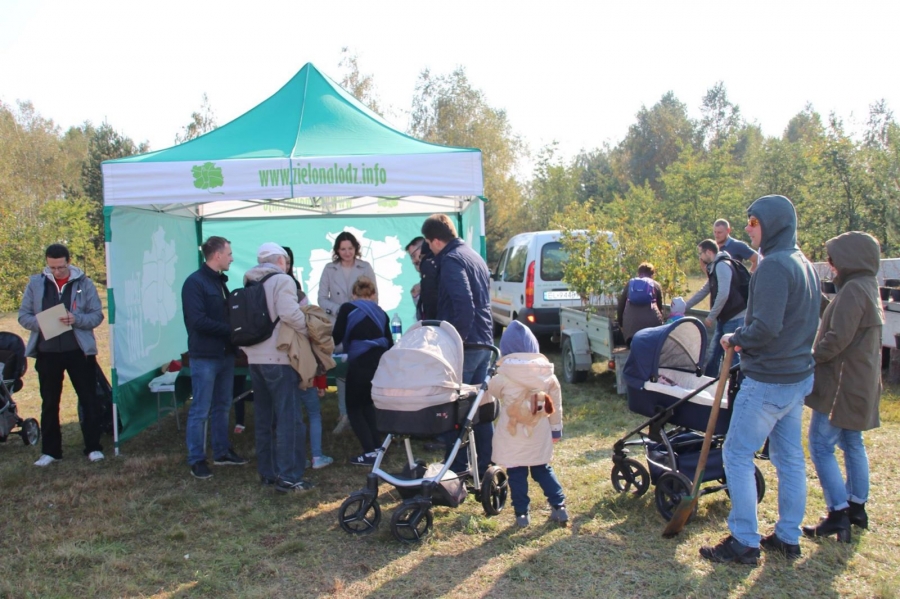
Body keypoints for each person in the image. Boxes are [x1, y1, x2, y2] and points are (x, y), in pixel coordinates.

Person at [700, 195, 820, 565]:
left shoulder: (774, 266)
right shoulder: (804, 263)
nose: (748, 228)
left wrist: (735, 338)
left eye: (754, 221)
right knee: (789, 458)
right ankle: (787, 536)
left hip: (769, 380)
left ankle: (744, 541)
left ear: (773, 224)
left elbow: (765, 328)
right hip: (796, 378)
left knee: (736, 453)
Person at [802, 231, 883, 543]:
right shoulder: (866, 286)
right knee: (852, 441)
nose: (831, 264)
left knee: (820, 444)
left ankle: (838, 512)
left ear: (851, 258)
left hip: (842, 383)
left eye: (834, 258)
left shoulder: (853, 290)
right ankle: (856, 507)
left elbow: (837, 338)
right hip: (859, 380)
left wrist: (811, 357)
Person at [19, 243, 106, 466]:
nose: (56, 271)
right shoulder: (36, 284)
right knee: (49, 402)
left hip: (79, 352)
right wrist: (42, 323)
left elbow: (97, 315)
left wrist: (76, 319)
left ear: (69, 262)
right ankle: (51, 451)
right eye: (52, 268)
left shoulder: (84, 284)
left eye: (60, 267)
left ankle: (93, 447)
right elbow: (23, 316)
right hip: (47, 353)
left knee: (88, 399)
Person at [422, 213, 494, 476]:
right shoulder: (473, 256)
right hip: (484, 341)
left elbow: (464, 305)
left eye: (428, 244)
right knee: (479, 408)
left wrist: (455, 341)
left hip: (467, 345)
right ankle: (486, 464)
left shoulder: (451, 260)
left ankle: (456, 468)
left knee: (453, 409)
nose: (429, 250)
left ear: (435, 241)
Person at [241, 243, 317, 492]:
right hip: (279, 357)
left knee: (264, 418)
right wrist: (309, 329)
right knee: (289, 419)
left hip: (255, 358)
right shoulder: (283, 281)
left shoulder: (250, 282)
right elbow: (289, 314)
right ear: (281, 261)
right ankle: (290, 477)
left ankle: (268, 472)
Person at [181, 236, 247, 479]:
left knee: (222, 405)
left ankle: (221, 451)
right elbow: (197, 321)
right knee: (200, 408)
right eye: (229, 254)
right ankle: (197, 459)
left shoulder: (219, 281)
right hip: (205, 355)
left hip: (225, 354)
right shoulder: (194, 283)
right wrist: (231, 331)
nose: (232, 258)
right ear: (217, 255)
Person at [490, 321, 567, 528]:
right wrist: (556, 429)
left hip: (512, 433)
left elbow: (491, 391)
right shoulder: (547, 375)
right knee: (542, 469)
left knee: (516, 473)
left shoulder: (503, 375)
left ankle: (522, 514)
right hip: (538, 432)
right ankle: (559, 506)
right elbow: (556, 406)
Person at [318, 231, 377, 435]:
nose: (347, 252)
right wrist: (340, 310)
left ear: (356, 248)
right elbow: (321, 299)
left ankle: (364, 412)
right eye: (343, 249)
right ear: (337, 250)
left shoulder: (365, 267)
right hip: (338, 325)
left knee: (361, 368)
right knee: (342, 370)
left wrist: (359, 310)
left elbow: (374, 296)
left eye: (350, 248)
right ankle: (344, 414)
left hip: (361, 324)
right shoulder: (329, 269)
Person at [332, 276, 393, 466]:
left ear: (353, 294)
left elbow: (336, 337)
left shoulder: (347, 309)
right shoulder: (382, 313)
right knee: (367, 405)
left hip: (359, 362)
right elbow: (389, 342)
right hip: (378, 363)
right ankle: (378, 449)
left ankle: (369, 451)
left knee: (353, 408)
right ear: (374, 294)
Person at [684, 239, 748, 378]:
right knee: (714, 353)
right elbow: (704, 290)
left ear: (708, 252)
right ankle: (708, 382)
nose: (700, 257)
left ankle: (738, 386)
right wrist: (685, 306)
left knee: (733, 356)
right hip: (724, 317)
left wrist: (711, 316)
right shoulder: (714, 267)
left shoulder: (721, 266)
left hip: (734, 316)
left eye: (701, 253)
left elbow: (723, 293)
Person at [616, 262, 664, 347]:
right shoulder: (656, 285)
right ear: (652, 275)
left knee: (632, 344)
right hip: (652, 331)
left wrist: (621, 324)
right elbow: (660, 309)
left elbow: (621, 307)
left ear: (638, 273)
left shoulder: (630, 284)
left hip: (631, 331)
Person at [405, 236, 439, 321]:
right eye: (411, 257)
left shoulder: (438, 268)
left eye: (414, 255)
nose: (413, 261)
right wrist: (416, 297)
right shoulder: (422, 282)